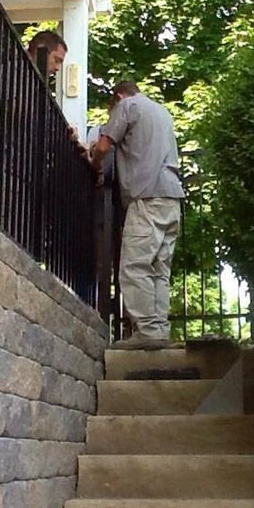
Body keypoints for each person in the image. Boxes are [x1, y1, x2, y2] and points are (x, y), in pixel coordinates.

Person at [91, 81, 185, 349]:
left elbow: (103, 147)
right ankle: (159, 330)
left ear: (118, 97)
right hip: (172, 198)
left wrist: (96, 166)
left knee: (134, 267)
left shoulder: (127, 105)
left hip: (146, 197)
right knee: (159, 269)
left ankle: (147, 332)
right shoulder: (161, 111)